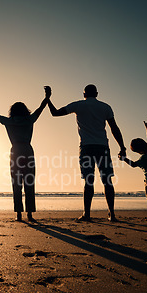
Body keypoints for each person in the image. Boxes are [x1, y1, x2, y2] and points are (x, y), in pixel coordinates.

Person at [46, 84, 126, 222]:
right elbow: (114, 128)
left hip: (86, 147)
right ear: (97, 94)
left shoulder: (78, 105)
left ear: (84, 94)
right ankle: (111, 214)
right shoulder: (105, 107)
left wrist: (47, 99)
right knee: (107, 180)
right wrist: (122, 147)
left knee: (89, 181)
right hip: (102, 147)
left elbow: (55, 113)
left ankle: (87, 214)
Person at [0, 87, 49, 221]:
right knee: (29, 183)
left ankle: (18, 214)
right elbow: (40, 108)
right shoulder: (29, 120)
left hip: (15, 151)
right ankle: (29, 214)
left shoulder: (8, 121)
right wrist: (47, 97)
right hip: (28, 151)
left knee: (16, 184)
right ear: (25, 111)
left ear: (12, 112)